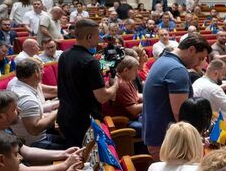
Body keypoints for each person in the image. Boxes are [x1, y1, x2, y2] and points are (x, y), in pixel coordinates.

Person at [142, 34, 211, 160]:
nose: (200, 63)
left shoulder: (164, 60)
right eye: (200, 58)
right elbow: (181, 115)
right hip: (167, 141)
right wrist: (197, 140)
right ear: (191, 50)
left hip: (157, 135)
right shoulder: (177, 70)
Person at [57, 19, 119, 148]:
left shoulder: (64, 55)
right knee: (86, 161)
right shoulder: (90, 62)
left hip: (64, 116)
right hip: (83, 121)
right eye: (98, 35)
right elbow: (102, 97)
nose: (100, 39)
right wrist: (115, 85)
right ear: (89, 37)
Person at [8, 59, 64, 150]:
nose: (43, 72)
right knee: (75, 146)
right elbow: (34, 130)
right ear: (36, 73)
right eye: (40, 70)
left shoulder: (16, 81)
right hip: (35, 143)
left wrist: (58, 104)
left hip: (38, 136)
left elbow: (37, 108)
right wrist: (56, 112)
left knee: (71, 139)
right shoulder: (27, 99)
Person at [102, 57, 143, 134]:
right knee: (153, 126)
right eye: (135, 70)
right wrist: (150, 102)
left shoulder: (125, 78)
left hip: (130, 117)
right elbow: (134, 110)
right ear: (126, 70)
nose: (137, 73)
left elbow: (136, 96)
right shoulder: (121, 84)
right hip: (122, 122)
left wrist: (151, 96)